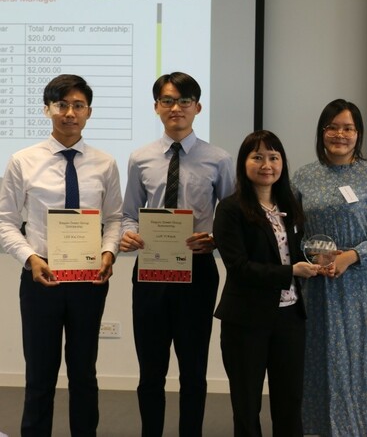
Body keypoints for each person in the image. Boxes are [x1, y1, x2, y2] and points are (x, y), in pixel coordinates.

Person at [0, 74, 122, 436]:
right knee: (40, 374)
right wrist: (29, 258)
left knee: (84, 373)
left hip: (89, 281)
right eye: (61, 105)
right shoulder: (22, 161)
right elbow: (5, 221)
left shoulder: (105, 163)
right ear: (47, 109)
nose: (70, 113)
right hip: (42, 278)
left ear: (89, 112)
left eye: (78, 105)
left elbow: (114, 219)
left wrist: (109, 253)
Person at [120, 72, 235, 436]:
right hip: (150, 271)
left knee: (193, 370)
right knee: (151, 370)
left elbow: (232, 217)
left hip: (197, 272)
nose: (176, 108)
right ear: (156, 107)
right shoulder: (140, 159)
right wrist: (128, 235)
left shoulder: (219, 159)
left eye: (184, 101)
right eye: (167, 101)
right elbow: (127, 214)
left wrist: (214, 238)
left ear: (197, 108)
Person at [293, 99, 367, 436]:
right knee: (321, 363)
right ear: (322, 132)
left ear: (358, 134)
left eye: (348, 128)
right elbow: (291, 233)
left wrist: (349, 257)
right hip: (317, 287)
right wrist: (311, 258)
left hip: (360, 287)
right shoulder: (302, 177)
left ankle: (362, 427)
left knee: (363, 361)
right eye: (333, 127)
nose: (340, 134)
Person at [213, 130, 320, 436]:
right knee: (247, 405)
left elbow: (294, 253)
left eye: (273, 157)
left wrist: (316, 260)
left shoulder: (288, 207)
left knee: (290, 401)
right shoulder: (231, 209)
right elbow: (239, 267)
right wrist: (291, 272)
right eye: (257, 157)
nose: (266, 164)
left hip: (290, 318)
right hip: (246, 319)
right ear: (244, 163)